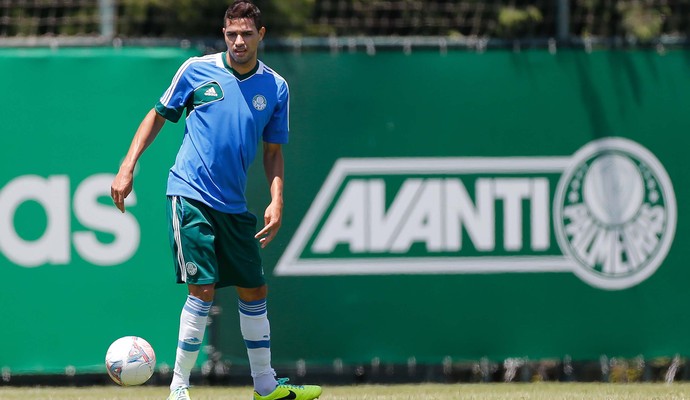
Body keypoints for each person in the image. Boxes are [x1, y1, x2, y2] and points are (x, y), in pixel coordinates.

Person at [110, 1, 322, 400]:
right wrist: (128, 166)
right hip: (189, 194)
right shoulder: (195, 70)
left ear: (261, 34)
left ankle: (265, 386)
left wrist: (276, 201)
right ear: (224, 35)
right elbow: (158, 114)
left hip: (233, 205)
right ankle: (179, 388)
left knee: (254, 289)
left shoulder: (275, 87)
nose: (238, 41)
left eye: (245, 34)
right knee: (202, 289)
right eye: (231, 34)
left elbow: (273, 151)